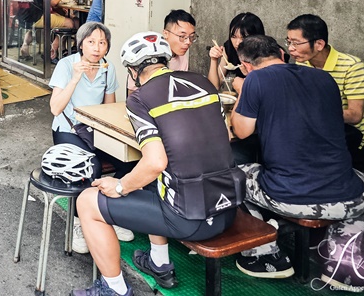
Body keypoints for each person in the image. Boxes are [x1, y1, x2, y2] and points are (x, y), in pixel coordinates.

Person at [71, 32, 242, 296]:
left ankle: (114, 289)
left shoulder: (140, 98)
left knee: (87, 201)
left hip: (189, 219)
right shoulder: (205, 84)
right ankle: (159, 263)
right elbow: (227, 136)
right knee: (153, 181)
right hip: (227, 209)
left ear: (133, 70)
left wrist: (119, 187)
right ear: (165, 59)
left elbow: (155, 161)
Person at [229, 35, 364, 287]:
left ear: (245, 66)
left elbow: (241, 131)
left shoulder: (254, 79)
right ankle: (344, 265)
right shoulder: (323, 78)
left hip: (291, 198)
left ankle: (265, 255)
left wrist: (243, 90)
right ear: (283, 54)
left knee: (231, 176)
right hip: (350, 199)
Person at [48, 22, 135, 254]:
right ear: (81, 44)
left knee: (131, 162)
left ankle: (109, 214)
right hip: (68, 130)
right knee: (91, 167)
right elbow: (55, 108)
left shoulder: (108, 68)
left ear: (107, 47)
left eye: (102, 43)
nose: (96, 48)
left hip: (95, 131)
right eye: (91, 42)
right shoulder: (67, 66)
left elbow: (109, 111)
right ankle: (79, 222)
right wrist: (75, 78)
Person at [286, 14, 364, 176]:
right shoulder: (302, 63)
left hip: (352, 144)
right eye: (289, 42)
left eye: (296, 43)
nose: (291, 49)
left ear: (319, 44)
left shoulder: (352, 66)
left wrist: (310, 113)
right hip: (318, 139)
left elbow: (355, 115)